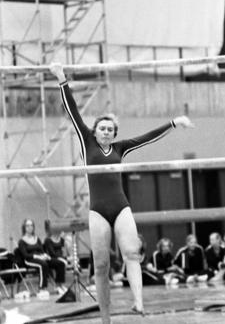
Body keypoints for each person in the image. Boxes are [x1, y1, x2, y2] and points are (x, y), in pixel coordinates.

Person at [50, 62, 194, 324]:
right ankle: (105, 318)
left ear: (115, 134)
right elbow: (72, 111)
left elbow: (147, 137)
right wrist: (62, 78)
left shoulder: (120, 149)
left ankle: (138, 303)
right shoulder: (86, 139)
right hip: (97, 211)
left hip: (121, 207)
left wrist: (174, 122)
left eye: (110, 129)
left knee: (131, 253)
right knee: (102, 266)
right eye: (102, 128)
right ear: (95, 131)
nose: (105, 132)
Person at [18, 218, 66, 297]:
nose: (30, 227)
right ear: (24, 227)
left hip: (40, 257)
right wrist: (36, 256)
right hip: (30, 260)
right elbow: (25, 255)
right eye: (27, 226)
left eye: (31, 225)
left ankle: (59, 285)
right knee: (43, 265)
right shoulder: (22, 241)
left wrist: (45, 255)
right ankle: (42, 288)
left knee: (60, 263)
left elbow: (42, 250)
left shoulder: (37, 239)